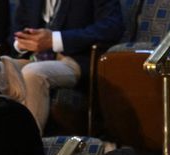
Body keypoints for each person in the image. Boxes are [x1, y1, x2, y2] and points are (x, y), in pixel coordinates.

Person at [11, 0, 124, 132]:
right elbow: (15, 30)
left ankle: (29, 147)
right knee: (0, 69)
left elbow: (111, 27)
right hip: (34, 56)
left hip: (74, 58)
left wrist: (56, 40)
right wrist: (23, 43)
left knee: (33, 73)